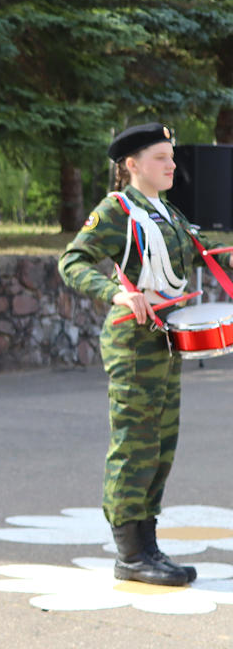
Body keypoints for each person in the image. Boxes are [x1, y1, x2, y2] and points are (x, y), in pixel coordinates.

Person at [59, 122, 233, 587]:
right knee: (134, 446)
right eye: (161, 157)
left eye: (171, 156)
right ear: (132, 165)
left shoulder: (168, 212)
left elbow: (201, 254)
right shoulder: (117, 211)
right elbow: (72, 261)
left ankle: (148, 545)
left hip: (165, 338)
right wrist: (114, 292)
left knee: (159, 446)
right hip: (134, 340)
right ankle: (131, 554)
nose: (172, 164)